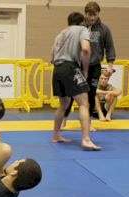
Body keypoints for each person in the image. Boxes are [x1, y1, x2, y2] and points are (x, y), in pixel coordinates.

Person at [51, 12, 101, 150]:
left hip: (57, 69)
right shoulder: (82, 29)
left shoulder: (60, 34)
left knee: (64, 104)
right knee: (84, 102)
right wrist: (84, 70)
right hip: (70, 67)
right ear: (82, 22)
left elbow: (52, 58)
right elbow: (85, 49)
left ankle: (56, 135)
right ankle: (86, 139)